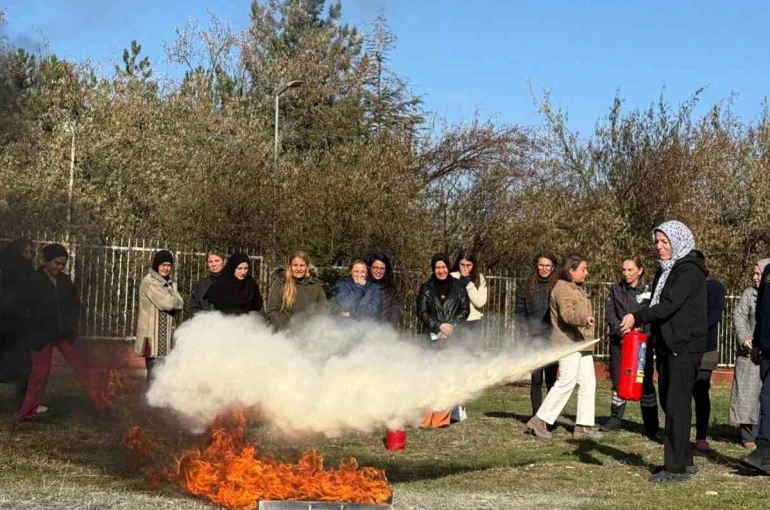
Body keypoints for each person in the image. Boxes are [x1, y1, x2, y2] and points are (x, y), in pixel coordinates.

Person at [620, 220, 708, 482]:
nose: (658, 246)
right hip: (668, 346)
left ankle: (674, 468)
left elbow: (669, 305)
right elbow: (656, 302)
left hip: (684, 347)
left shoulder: (688, 271)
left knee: (676, 406)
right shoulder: (666, 270)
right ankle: (684, 460)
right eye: (657, 241)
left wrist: (637, 316)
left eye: (664, 241)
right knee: (671, 403)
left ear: (678, 242)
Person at [17, 244, 111, 420]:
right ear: (47, 260)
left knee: (84, 367)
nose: (60, 267)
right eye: (57, 263)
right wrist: (32, 327)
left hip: (65, 334)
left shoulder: (66, 281)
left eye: (63, 264)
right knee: (40, 375)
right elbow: (23, 308)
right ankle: (26, 412)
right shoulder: (33, 280)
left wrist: (73, 325)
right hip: (41, 336)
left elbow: (75, 305)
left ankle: (103, 405)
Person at [526, 255, 599, 440]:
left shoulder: (577, 288)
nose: (586, 272)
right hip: (567, 343)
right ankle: (540, 420)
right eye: (583, 269)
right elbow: (567, 314)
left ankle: (583, 426)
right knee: (566, 381)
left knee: (588, 382)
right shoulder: (561, 287)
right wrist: (585, 319)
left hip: (582, 343)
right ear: (571, 271)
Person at [601, 257, 659, 437]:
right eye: (624, 270)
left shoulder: (649, 290)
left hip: (641, 344)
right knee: (617, 380)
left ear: (640, 271)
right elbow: (610, 313)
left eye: (630, 270)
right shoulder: (615, 289)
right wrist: (621, 330)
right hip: (619, 342)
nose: (626, 273)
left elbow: (652, 313)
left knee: (645, 380)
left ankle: (651, 424)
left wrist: (640, 331)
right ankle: (615, 418)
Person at [416, 253, 470, 428]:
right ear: (433, 269)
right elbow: (421, 312)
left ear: (448, 268)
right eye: (437, 267)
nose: (441, 271)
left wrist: (451, 325)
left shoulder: (459, 287)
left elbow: (465, 310)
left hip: (452, 339)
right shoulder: (426, 288)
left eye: (443, 267)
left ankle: (441, 419)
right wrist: (438, 325)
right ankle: (426, 417)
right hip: (431, 339)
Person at [730, 259, 770, 449]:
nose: (755, 277)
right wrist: (745, 338)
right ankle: (748, 435)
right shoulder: (749, 294)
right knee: (748, 393)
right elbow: (739, 316)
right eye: (754, 273)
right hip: (750, 352)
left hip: (767, 351)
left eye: (758, 274)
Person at [689, 250, 725, 453]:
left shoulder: (714, 287)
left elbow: (714, 316)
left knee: (700, 391)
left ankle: (701, 436)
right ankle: (677, 434)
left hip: (705, 348)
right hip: (684, 347)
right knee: (681, 393)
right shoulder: (683, 287)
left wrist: (692, 329)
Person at [516, 251, 559, 416]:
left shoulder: (558, 286)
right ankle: (536, 416)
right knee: (536, 380)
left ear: (553, 267)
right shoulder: (526, 287)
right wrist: (524, 330)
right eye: (541, 265)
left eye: (548, 265)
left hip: (552, 338)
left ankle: (549, 417)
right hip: (533, 338)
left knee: (551, 380)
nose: (544, 268)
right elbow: (519, 312)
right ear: (536, 265)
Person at [134, 250, 184, 382]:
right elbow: (168, 304)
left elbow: (181, 304)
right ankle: (151, 394)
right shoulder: (150, 282)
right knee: (155, 373)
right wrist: (174, 293)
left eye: (169, 265)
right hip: (153, 337)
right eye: (163, 265)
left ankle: (156, 394)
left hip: (163, 337)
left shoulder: (166, 282)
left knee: (163, 373)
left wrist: (174, 298)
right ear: (157, 265)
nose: (166, 268)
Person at [742, 256, 770, 474]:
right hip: (767, 347)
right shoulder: (768, 271)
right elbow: (761, 309)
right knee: (766, 397)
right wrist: (758, 342)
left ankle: (764, 451)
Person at [0, 238, 35, 410]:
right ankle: (22, 402)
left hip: (13, 322)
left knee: (21, 363)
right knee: (22, 363)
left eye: (31, 252)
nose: (29, 256)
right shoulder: (21, 271)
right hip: (13, 322)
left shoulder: (7, 269)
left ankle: (22, 401)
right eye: (26, 252)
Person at [265, 251, 327, 331]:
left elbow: (323, 309)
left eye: (302, 265)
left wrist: (314, 327)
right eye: (295, 265)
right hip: (285, 332)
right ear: (290, 266)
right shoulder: (280, 283)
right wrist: (288, 327)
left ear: (307, 266)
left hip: (309, 332)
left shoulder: (315, 285)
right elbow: (272, 311)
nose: (298, 269)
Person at [450, 251, 487, 332]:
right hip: (456, 320)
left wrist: (467, 283)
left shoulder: (480, 278)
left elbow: (480, 302)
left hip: (474, 321)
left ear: (473, 265)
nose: (465, 268)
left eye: (468, 265)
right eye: (462, 265)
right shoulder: (451, 276)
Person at [367, 252, 401, 328]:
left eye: (382, 268)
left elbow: (395, 310)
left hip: (384, 330)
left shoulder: (391, 290)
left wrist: (390, 328)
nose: (379, 271)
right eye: (375, 268)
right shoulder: (362, 286)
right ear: (370, 268)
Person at [190, 249, 226, 314]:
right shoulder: (201, 285)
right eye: (210, 261)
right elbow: (194, 307)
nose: (214, 264)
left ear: (224, 261)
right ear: (207, 263)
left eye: (217, 261)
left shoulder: (232, 282)